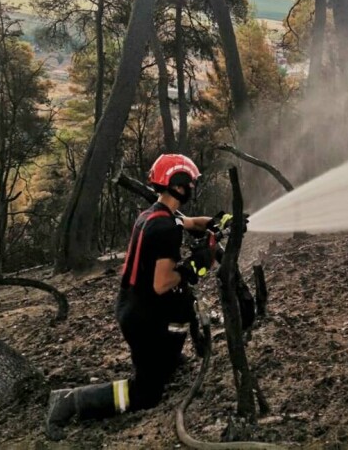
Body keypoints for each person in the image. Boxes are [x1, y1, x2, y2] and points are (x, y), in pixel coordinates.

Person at [45, 154, 222, 440]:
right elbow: (163, 283)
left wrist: (217, 222)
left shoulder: (158, 214)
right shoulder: (165, 229)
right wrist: (195, 265)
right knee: (147, 394)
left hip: (135, 304)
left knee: (180, 312)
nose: (192, 188)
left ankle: (166, 360)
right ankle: (69, 402)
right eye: (189, 183)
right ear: (178, 186)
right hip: (144, 318)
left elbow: (190, 223)